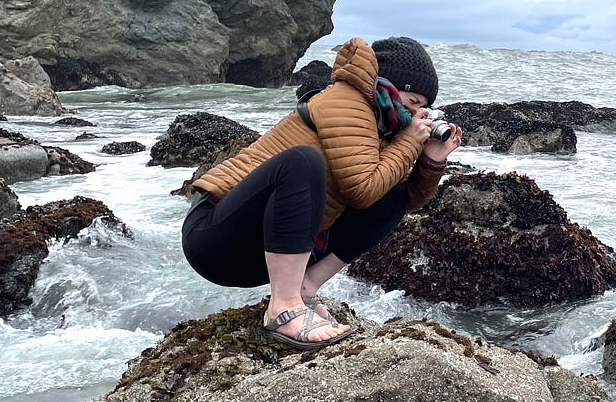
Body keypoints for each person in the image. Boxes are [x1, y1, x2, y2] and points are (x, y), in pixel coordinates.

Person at [181, 35, 461, 349]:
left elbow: (408, 200)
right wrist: (409, 142)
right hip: (214, 237)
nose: (415, 115)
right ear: (391, 87)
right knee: (302, 161)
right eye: (413, 104)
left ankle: (303, 288)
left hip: (265, 251)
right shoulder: (346, 100)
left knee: (393, 198)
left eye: (424, 109)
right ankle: (283, 307)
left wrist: (431, 159)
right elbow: (362, 191)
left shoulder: (386, 127)